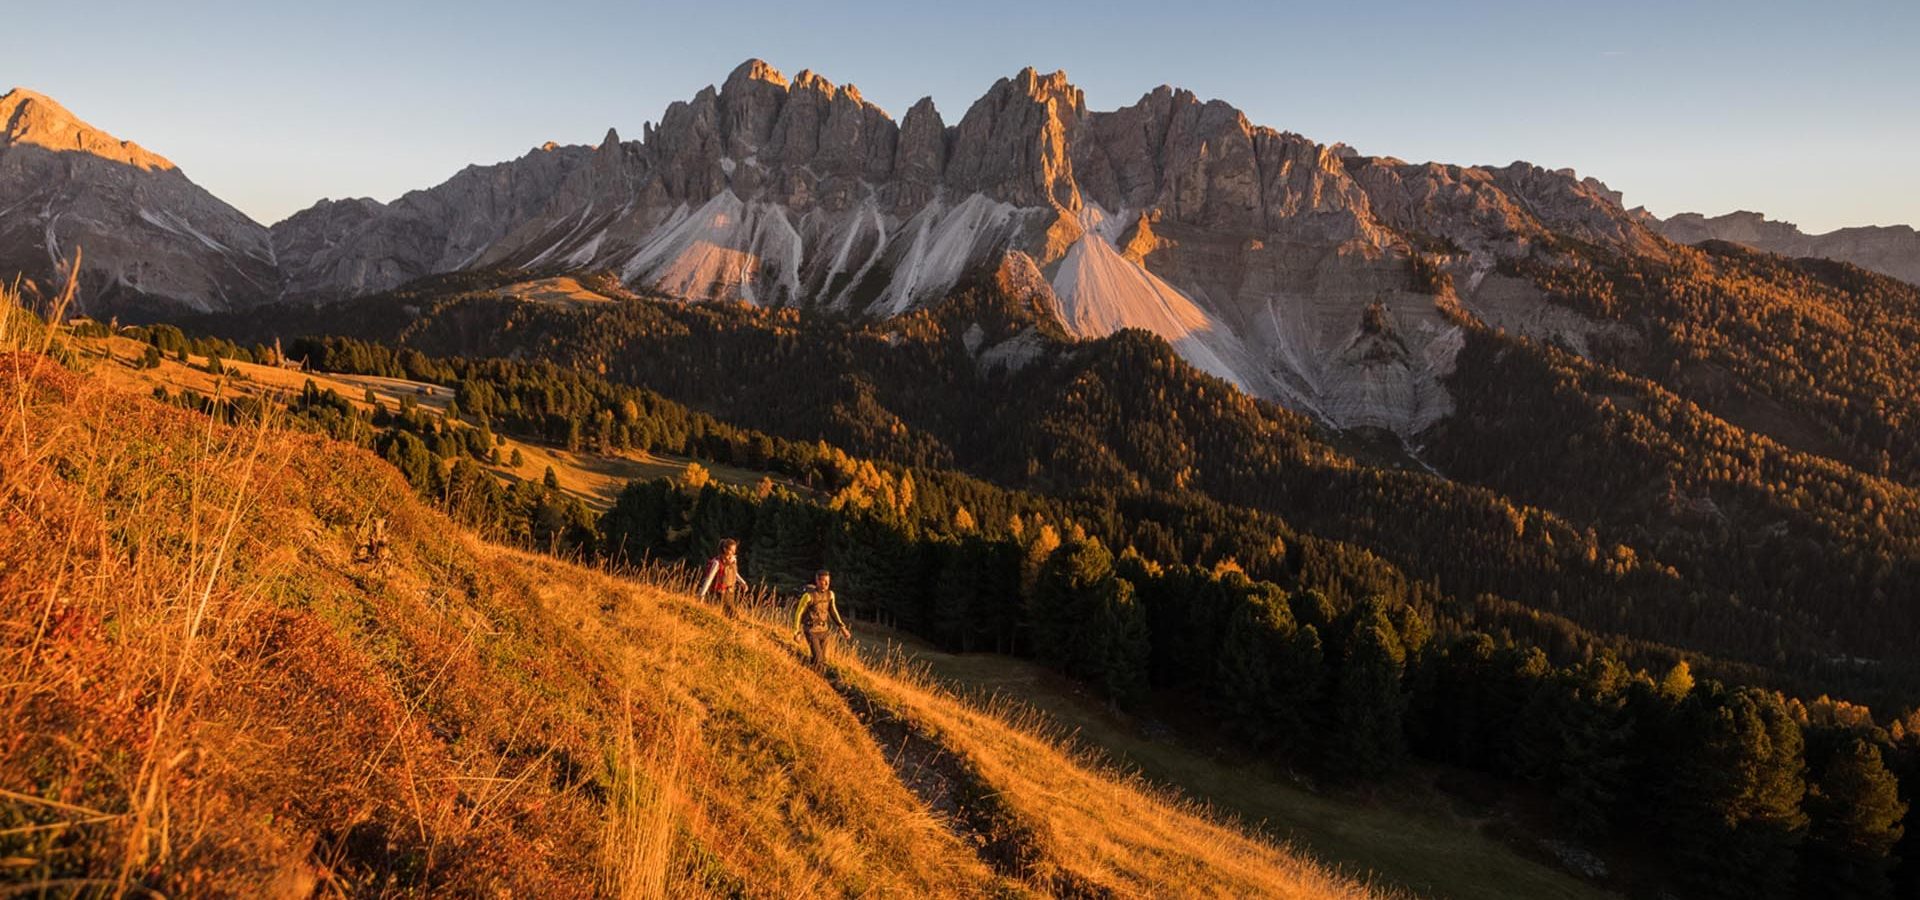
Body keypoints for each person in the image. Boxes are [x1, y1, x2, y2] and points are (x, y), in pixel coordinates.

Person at [791, 570, 850, 671]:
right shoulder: (808, 596)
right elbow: (799, 613)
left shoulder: (830, 595)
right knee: (818, 659)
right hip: (811, 630)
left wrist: (842, 627)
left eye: (828, 581)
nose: (827, 584)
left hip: (824, 631)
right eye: (824, 581)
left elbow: (833, 611)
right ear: (818, 581)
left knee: (822, 660)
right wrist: (796, 632)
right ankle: (816, 678)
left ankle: (810, 672)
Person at [697, 538, 748, 618]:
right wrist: (702, 594)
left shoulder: (733, 560)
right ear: (725, 549)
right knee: (732, 614)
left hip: (731, 590)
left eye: (734, 550)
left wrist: (742, 582)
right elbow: (709, 579)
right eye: (731, 550)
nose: (733, 552)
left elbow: (734, 573)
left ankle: (728, 625)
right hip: (721, 592)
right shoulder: (717, 563)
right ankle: (735, 624)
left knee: (728, 613)